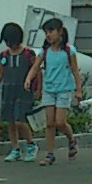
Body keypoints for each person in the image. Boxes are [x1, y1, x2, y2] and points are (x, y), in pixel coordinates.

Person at [26, 17, 83, 166]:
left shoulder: (69, 50)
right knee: (50, 123)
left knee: (60, 122)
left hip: (64, 89)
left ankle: (72, 139)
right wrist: (28, 79)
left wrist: (78, 90)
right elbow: (35, 67)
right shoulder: (44, 51)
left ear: (60, 32)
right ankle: (50, 154)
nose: (48, 35)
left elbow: (75, 71)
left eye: (51, 31)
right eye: (46, 32)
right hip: (49, 89)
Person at [0, 21, 37, 162]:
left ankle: (31, 145)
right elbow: (0, 73)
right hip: (8, 90)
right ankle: (15, 148)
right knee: (10, 121)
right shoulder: (4, 55)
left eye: (10, 41)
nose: (8, 44)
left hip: (24, 91)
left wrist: (38, 89)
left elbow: (37, 71)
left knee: (20, 120)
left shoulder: (28, 54)